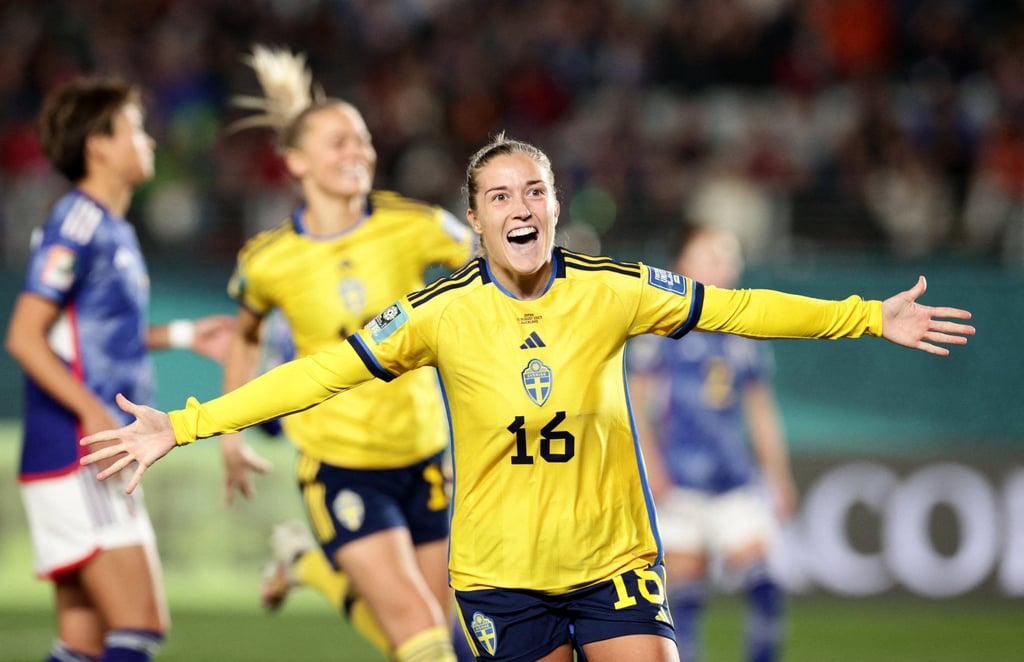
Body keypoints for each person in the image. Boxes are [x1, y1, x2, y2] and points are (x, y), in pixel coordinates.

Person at [80, 134, 975, 662]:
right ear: (475, 220)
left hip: (616, 562)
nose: (522, 205)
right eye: (500, 193)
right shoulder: (435, 314)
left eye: (536, 190)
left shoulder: (613, 288)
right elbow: (317, 371)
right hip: (502, 580)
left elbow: (738, 306)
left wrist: (866, 316)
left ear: (554, 206)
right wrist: (188, 423)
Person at [214, 46, 477, 662]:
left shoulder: (415, 225)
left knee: (435, 638)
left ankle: (307, 566)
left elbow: (493, 269)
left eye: (362, 139)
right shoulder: (268, 259)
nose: (358, 151)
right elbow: (246, 335)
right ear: (296, 161)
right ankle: (310, 562)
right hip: (341, 464)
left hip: (425, 453)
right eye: (339, 142)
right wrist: (230, 433)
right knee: (424, 639)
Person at [4, 76, 234, 662]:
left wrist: (183, 334)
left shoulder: (112, 230)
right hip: (80, 447)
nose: (149, 141)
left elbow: (98, 336)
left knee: (82, 641)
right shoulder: (78, 223)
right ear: (99, 146)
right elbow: (25, 337)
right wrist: (91, 411)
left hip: (80, 447)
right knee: (139, 625)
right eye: (135, 128)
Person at [627, 226, 794, 662]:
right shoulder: (660, 328)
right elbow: (632, 406)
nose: (723, 265)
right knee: (685, 605)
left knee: (766, 589)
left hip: (732, 483)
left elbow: (761, 413)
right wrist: (652, 470)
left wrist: (778, 478)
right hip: (678, 484)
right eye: (711, 255)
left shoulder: (746, 332)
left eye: (728, 256)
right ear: (684, 266)